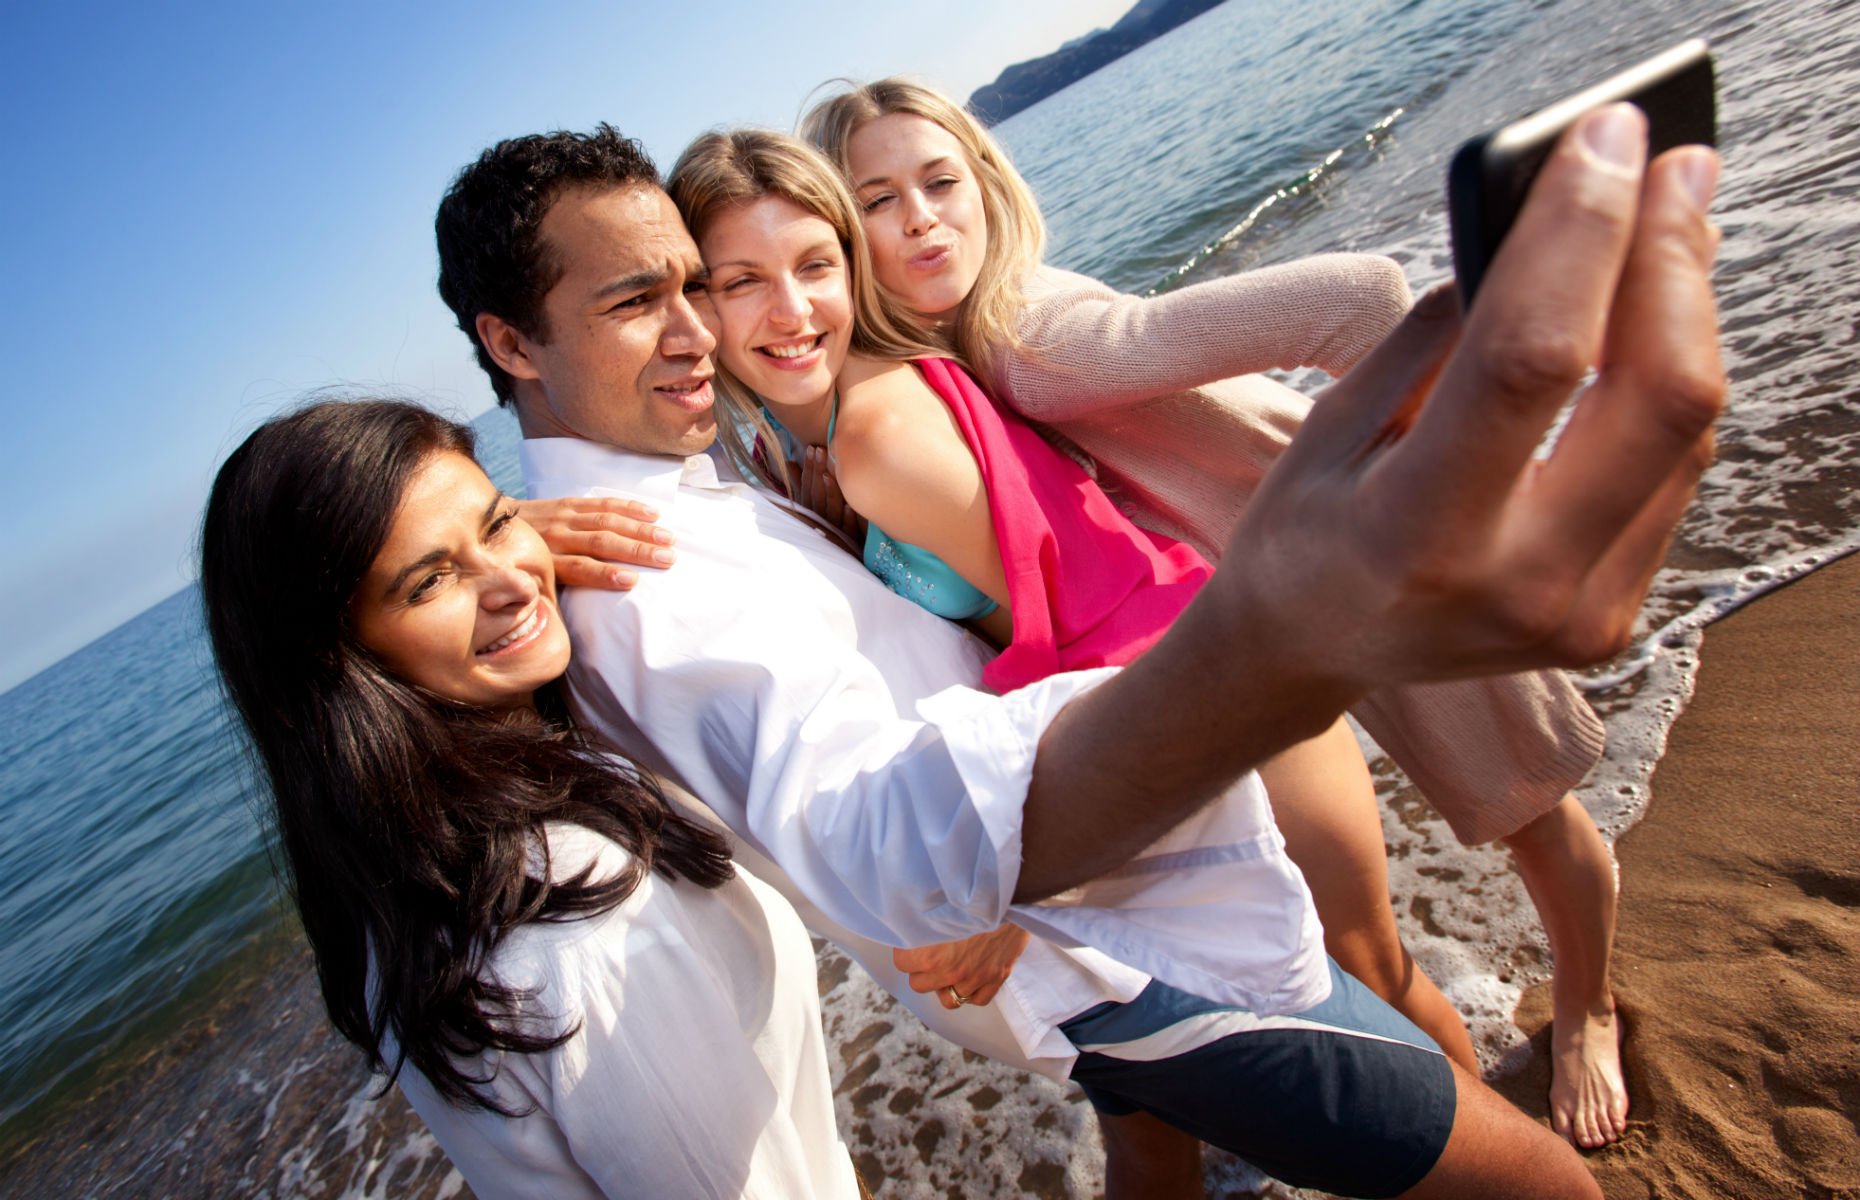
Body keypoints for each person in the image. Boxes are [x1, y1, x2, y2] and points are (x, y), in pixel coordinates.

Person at [434, 104, 1720, 1196]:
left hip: (1161, 788)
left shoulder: (792, 457)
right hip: (1117, 879)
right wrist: (505, 537)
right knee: (1338, 1133)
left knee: (1378, 1022)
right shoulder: (680, 528)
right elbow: (881, 804)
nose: (718, 327)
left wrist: (1008, 876)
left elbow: (1028, 628)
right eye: (689, 290)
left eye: (802, 265)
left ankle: (1530, 1043)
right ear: (510, 342)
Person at [803, 76, 1631, 1149]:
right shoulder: (947, 355)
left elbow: (1365, 300)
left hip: (1367, 560)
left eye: (940, 181)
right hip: (1272, 609)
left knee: (1525, 803)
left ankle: (1587, 1012)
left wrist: (1453, 488)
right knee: (1490, 819)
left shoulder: (1032, 341)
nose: (920, 217)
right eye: (877, 199)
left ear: (985, 185)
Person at [663, 122, 1482, 1146]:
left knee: (1376, 987)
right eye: (740, 281)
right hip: (1193, 683)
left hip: (1221, 704)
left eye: (815, 264)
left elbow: (1082, 625)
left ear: (849, 265)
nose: (790, 311)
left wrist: (1024, 875)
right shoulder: (815, 425)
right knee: (1168, 1094)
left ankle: (1505, 1156)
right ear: (693, 300)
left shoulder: (871, 433)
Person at [199, 399, 864, 1199]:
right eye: (428, 582)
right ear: (342, 662)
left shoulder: (398, 887)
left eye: (500, 521)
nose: (513, 579)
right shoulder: (580, 930)